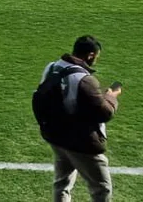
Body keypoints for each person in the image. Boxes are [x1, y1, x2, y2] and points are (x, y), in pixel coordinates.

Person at [35, 36, 119, 202]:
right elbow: (104, 113)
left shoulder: (51, 68)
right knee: (102, 188)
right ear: (90, 55)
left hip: (55, 135)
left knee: (62, 184)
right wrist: (111, 96)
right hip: (81, 142)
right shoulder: (85, 80)